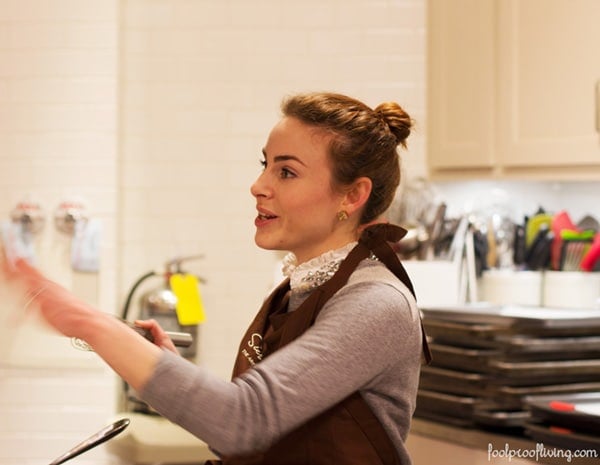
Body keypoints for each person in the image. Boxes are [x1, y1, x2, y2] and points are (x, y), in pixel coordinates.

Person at [2, 92, 430, 465]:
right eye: (265, 165)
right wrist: (161, 363)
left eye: (286, 172)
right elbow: (247, 433)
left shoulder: (376, 303)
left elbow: (241, 421)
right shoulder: (297, 291)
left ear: (353, 195)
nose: (258, 186)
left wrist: (86, 322)